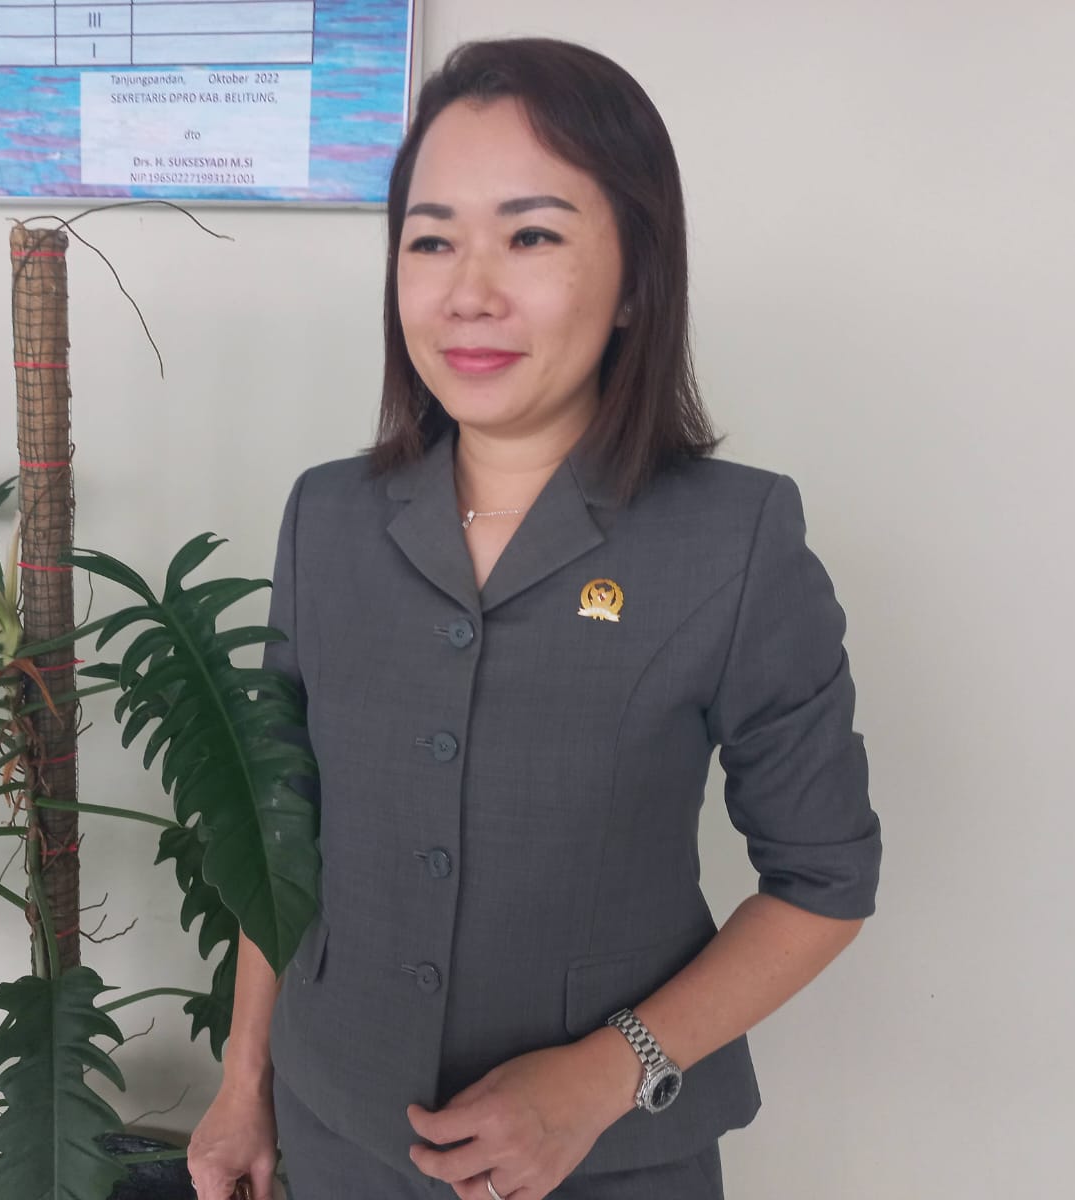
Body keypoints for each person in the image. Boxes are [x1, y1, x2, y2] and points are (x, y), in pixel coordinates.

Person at [188, 36, 882, 1200]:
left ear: (636, 280)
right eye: (430, 240)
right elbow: (280, 829)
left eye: (532, 236)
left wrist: (601, 1078)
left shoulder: (734, 539)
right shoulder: (327, 518)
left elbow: (823, 879)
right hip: (337, 1131)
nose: (469, 291)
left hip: (604, 1162)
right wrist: (242, 1082)